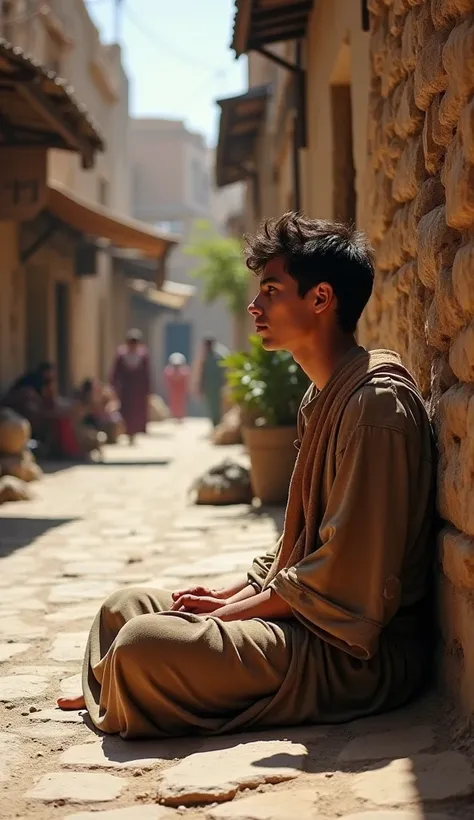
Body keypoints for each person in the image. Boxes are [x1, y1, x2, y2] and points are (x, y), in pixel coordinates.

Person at [58, 213, 436, 740]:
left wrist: (228, 616)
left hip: (349, 652)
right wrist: (226, 594)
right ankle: (121, 682)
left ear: (320, 299)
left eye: (271, 290)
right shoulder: (323, 398)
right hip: (306, 622)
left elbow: (344, 576)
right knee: (123, 609)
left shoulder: (375, 408)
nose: (255, 307)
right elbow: (296, 545)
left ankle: (123, 679)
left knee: (144, 641)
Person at [110, 330, 150, 445]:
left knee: (136, 413)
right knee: (125, 411)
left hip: (137, 389)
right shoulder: (121, 354)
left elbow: (146, 373)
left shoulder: (143, 355)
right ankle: (126, 432)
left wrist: (147, 389)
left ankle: (133, 433)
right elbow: (116, 372)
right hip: (126, 389)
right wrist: (113, 386)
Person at [197, 337, 225, 428]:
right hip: (209, 386)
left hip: (217, 386)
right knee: (211, 406)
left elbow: (223, 371)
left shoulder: (218, 357)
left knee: (217, 407)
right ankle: (214, 424)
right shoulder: (206, 357)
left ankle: (217, 424)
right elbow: (202, 372)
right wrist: (200, 386)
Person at [163, 353, 190, 422]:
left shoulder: (185, 371)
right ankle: (174, 416)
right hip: (173, 392)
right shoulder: (168, 371)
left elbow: (186, 380)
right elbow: (167, 380)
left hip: (181, 392)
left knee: (181, 404)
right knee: (173, 403)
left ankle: (181, 417)